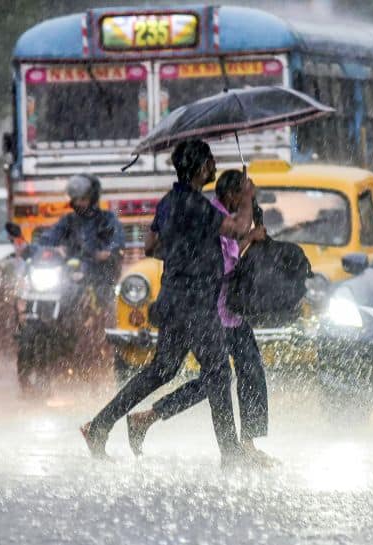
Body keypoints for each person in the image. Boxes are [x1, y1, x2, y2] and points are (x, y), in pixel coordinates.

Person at [81, 139, 256, 465]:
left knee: (161, 370)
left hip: (174, 299)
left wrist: (182, 250)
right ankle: (231, 455)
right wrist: (246, 197)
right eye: (211, 163)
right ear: (201, 167)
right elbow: (239, 228)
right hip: (196, 303)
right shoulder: (196, 205)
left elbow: (151, 246)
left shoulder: (168, 203)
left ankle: (100, 425)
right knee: (218, 373)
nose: (215, 168)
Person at [126, 170, 272, 462]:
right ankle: (148, 418)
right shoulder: (214, 217)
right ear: (230, 195)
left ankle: (247, 444)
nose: (243, 200)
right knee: (218, 378)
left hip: (232, 312)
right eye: (241, 194)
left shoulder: (226, 216)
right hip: (214, 312)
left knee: (248, 372)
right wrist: (250, 239)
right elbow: (225, 266)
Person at [39, 174, 125, 384]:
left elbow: (118, 242)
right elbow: (47, 239)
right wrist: (50, 248)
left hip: (99, 278)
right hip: (70, 278)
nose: (79, 204)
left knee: (108, 311)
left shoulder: (107, 220)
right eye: (75, 199)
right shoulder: (67, 222)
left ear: (93, 197)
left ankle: (110, 349)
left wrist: (106, 253)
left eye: (83, 199)